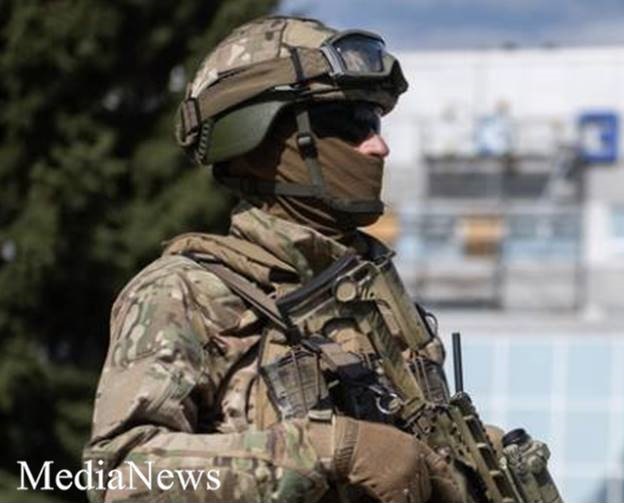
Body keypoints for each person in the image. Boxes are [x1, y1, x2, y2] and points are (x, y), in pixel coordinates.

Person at [83, 15, 470, 502]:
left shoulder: (374, 292)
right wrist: (327, 452)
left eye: (374, 123)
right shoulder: (187, 293)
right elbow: (118, 475)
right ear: (260, 136)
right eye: (351, 124)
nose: (378, 145)